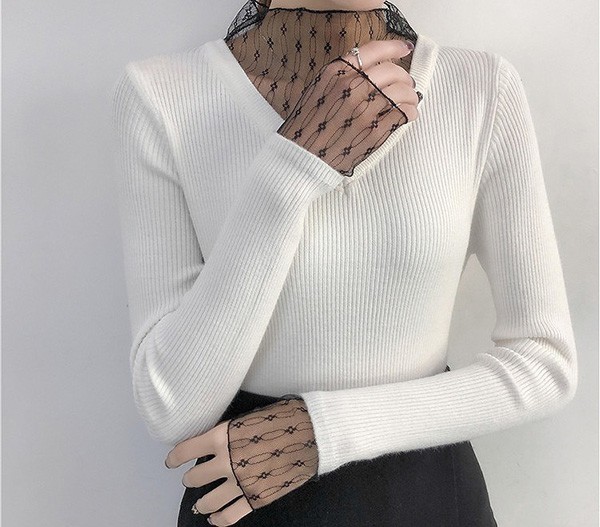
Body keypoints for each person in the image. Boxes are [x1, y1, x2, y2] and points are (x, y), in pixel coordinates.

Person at [111, 0, 578, 525]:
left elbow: (546, 363)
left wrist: (326, 429)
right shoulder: (161, 94)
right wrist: (291, 167)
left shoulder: (480, 88)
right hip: (244, 497)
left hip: (424, 497)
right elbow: (170, 407)